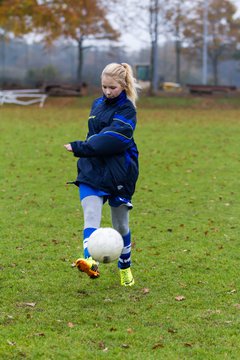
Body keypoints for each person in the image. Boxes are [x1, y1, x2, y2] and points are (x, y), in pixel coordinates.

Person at [64, 62, 140, 286]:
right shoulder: (96, 104)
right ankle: (90, 261)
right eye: (104, 87)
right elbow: (94, 136)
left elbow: (111, 139)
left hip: (119, 172)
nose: (107, 92)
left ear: (123, 86)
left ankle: (124, 267)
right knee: (90, 215)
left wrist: (81, 147)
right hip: (93, 168)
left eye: (112, 88)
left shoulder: (128, 110)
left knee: (121, 225)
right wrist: (87, 150)